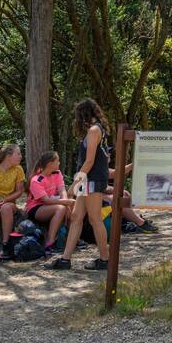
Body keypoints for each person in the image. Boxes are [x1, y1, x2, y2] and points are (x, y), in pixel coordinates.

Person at [50, 99, 114, 271]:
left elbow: (89, 161)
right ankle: (65, 259)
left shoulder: (94, 130)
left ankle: (105, 259)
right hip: (87, 179)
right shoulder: (95, 130)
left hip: (91, 179)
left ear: (84, 114)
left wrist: (74, 184)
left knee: (94, 218)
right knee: (76, 217)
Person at [26, 151, 74, 254]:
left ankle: (72, 239)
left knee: (72, 207)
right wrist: (65, 203)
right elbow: (46, 200)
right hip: (36, 208)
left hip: (52, 204)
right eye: (57, 161)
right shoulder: (36, 180)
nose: (59, 163)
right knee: (61, 208)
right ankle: (50, 242)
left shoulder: (57, 173)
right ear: (49, 164)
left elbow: (62, 190)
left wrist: (66, 202)